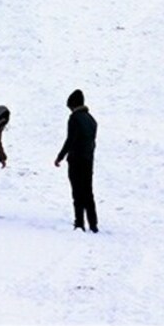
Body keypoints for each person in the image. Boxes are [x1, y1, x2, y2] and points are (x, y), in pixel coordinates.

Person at [54, 89, 98, 232]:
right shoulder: (92, 120)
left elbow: (70, 140)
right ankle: (93, 224)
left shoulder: (74, 118)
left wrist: (60, 156)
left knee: (77, 193)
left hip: (76, 160)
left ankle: (79, 223)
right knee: (88, 192)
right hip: (88, 160)